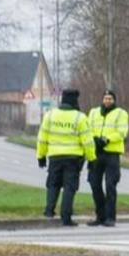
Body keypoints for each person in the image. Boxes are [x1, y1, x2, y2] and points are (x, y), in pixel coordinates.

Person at [37, 88, 94, 226]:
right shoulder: (80, 117)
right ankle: (66, 217)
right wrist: (91, 158)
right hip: (73, 158)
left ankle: (49, 211)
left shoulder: (50, 115)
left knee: (53, 184)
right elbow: (87, 141)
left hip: (55, 156)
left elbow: (42, 138)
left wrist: (41, 156)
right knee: (69, 187)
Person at [87, 89, 129, 227]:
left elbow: (122, 132)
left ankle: (110, 217)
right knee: (94, 184)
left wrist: (106, 140)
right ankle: (100, 216)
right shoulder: (93, 112)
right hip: (96, 152)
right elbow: (87, 128)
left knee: (110, 185)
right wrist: (94, 139)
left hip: (111, 153)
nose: (107, 101)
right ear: (102, 100)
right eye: (105, 98)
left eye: (110, 99)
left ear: (114, 100)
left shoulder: (121, 113)